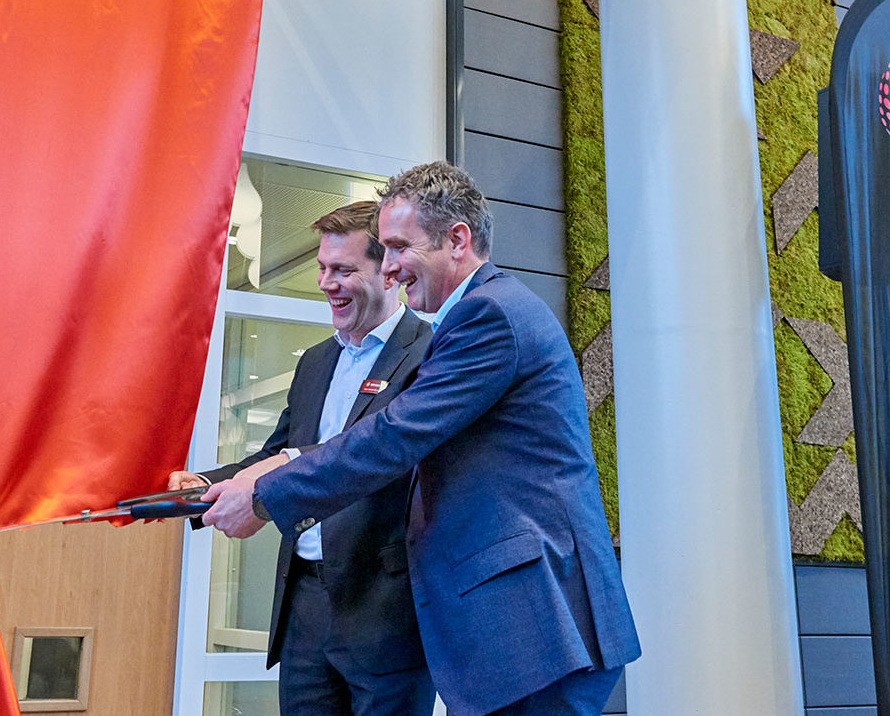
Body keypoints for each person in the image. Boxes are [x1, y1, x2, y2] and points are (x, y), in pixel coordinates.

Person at [202, 162, 639, 716]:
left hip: (535, 626)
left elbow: (391, 437)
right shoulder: (475, 317)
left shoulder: (489, 316)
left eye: (399, 247)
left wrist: (267, 495)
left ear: (458, 239)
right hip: (516, 630)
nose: (389, 268)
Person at [174, 202, 434, 716]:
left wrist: (269, 485)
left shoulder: (430, 354)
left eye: (342, 270)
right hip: (305, 605)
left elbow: (380, 457)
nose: (325, 283)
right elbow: (278, 454)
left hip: (385, 609)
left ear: (387, 273)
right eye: (321, 268)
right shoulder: (316, 361)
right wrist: (202, 484)